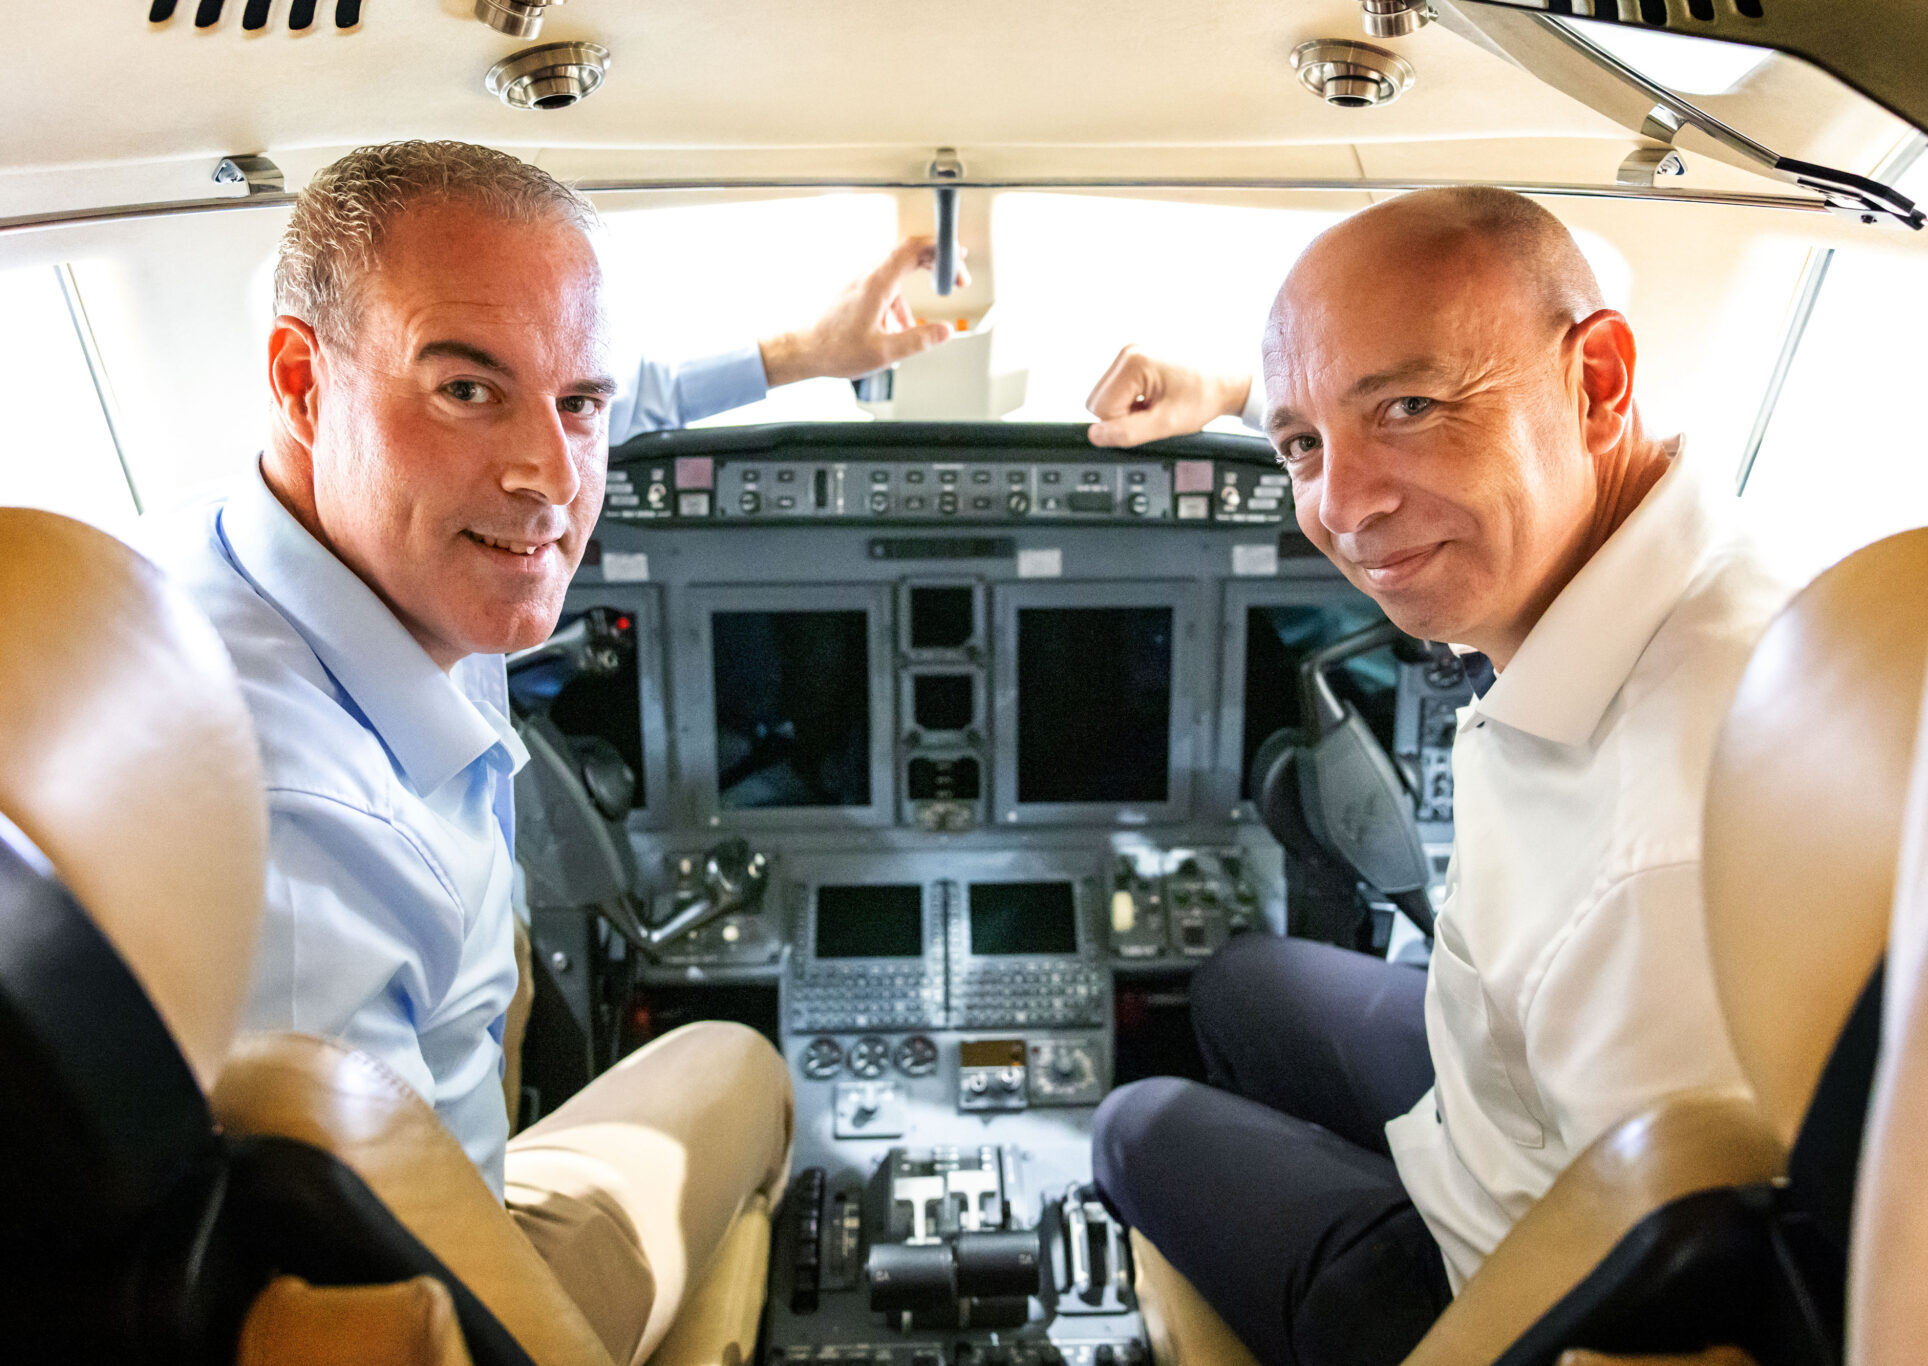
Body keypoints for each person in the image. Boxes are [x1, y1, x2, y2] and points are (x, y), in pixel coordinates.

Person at [142, 139, 962, 1363]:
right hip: (462, 1287)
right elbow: (369, 1319)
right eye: (465, 391)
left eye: (579, 403)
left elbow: (584, 401)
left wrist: (798, 354)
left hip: (440, 1066)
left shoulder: (276, 534)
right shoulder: (301, 852)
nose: (551, 478)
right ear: (301, 380)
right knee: (739, 1063)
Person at [1084, 187, 1789, 1366]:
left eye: (1407, 408)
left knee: (1133, 1122)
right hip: (1503, 1101)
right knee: (1240, 980)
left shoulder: (1660, 857)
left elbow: (1667, 1321)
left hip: (1486, 1282)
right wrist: (1254, 394)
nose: (1339, 504)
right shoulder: (1690, 562)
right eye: (1302, 444)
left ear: (1597, 381)